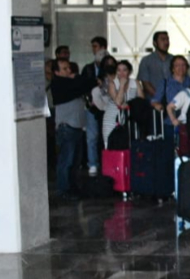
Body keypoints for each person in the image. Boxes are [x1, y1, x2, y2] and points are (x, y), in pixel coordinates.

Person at [48, 59, 90, 200]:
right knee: (66, 160)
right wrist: (77, 79)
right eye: (64, 69)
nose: (68, 71)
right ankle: (63, 189)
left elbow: (86, 84)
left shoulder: (72, 82)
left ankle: (73, 187)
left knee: (75, 161)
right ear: (57, 72)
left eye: (69, 68)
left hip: (77, 126)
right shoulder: (58, 84)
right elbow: (80, 85)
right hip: (67, 126)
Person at [79, 37, 108, 176]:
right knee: (92, 136)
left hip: (107, 106)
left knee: (106, 136)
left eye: (96, 46)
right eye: (93, 47)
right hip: (92, 106)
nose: (93, 49)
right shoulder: (88, 68)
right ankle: (93, 164)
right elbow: (83, 85)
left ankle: (106, 163)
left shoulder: (110, 66)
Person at [97, 58, 137, 148]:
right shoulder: (112, 83)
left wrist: (130, 104)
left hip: (127, 119)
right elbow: (118, 102)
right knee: (110, 145)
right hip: (112, 118)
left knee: (127, 146)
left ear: (129, 72)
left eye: (124, 70)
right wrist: (122, 85)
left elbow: (141, 100)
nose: (121, 73)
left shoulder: (135, 83)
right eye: (118, 70)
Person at [154, 55, 190, 123]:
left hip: (189, 120)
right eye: (177, 65)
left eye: (183, 65)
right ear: (172, 68)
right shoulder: (165, 83)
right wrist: (157, 105)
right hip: (169, 121)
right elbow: (155, 100)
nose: (181, 67)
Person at [138, 31, 173, 101]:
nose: (166, 42)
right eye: (163, 39)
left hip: (173, 100)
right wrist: (159, 97)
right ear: (154, 43)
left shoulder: (174, 60)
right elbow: (145, 83)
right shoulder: (146, 60)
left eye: (167, 39)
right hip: (153, 101)